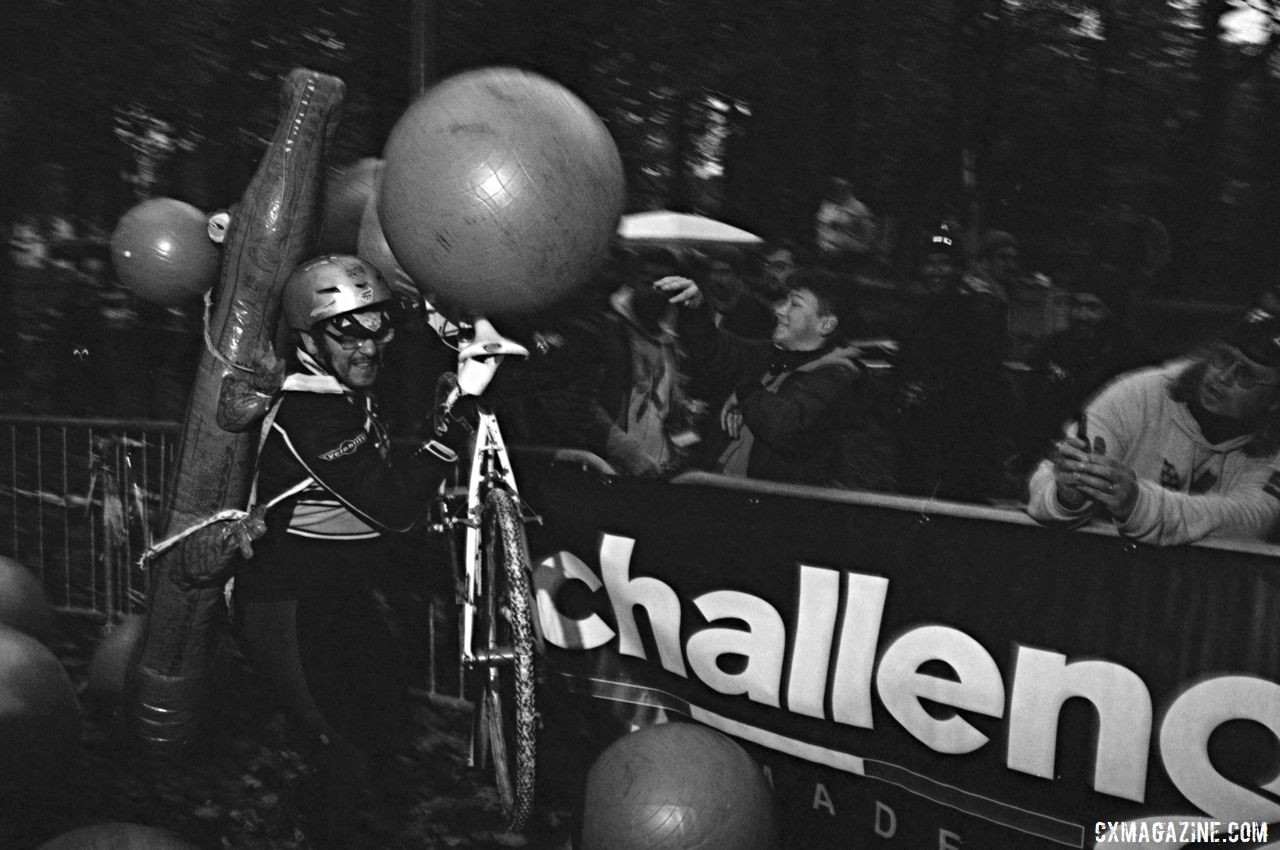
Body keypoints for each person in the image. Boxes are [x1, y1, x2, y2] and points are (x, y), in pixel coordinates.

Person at [230, 255, 467, 846]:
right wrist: (446, 439)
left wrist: (447, 321)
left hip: (338, 594)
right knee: (343, 748)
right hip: (286, 604)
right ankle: (307, 827)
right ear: (309, 340)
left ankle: (307, 815)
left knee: (386, 726)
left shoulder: (340, 388)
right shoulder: (310, 410)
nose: (368, 348)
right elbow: (392, 506)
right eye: (346, 332)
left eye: (376, 328)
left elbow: (409, 330)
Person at [1026, 308, 1280, 546]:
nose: (1222, 377)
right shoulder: (1139, 394)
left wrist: (1136, 504)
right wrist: (1067, 497)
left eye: (1246, 375)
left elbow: (1252, 520)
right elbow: (1045, 485)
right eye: (1223, 358)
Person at [662, 267, 864, 486]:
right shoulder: (773, 355)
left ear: (825, 325)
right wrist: (696, 308)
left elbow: (792, 428)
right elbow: (716, 351)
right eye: (783, 302)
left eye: (794, 304)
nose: (779, 310)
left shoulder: (838, 377)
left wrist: (745, 396)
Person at [895, 230, 1011, 501]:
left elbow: (981, 375)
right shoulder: (917, 310)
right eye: (930, 263)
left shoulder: (979, 309)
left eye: (944, 264)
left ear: (957, 268)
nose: (936, 271)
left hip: (962, 436)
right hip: (922, 433)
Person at [1014, 276, 1153, 480]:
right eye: (1076, 306)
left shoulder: (1129, 357)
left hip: (1102, 460)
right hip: (1047, 456)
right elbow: (1032, 402)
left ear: (1110, 312)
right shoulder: (1052, 347)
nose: (1082, 315)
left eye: (1092, 307)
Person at [697, 252, 775, 339]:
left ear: (738, 276)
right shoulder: (702, 303)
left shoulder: (756, 310)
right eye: (713, 272)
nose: (717, 279)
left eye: (724, 273)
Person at [814, 176, 878, 276]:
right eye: (834, 188)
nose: (836, 191)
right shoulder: (827, 205)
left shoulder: (859, 209)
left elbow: (868, 238)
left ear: (848, 189)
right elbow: (821, 226)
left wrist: (848, 245)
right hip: (823, 253)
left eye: (840, 188)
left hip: (846, 257)